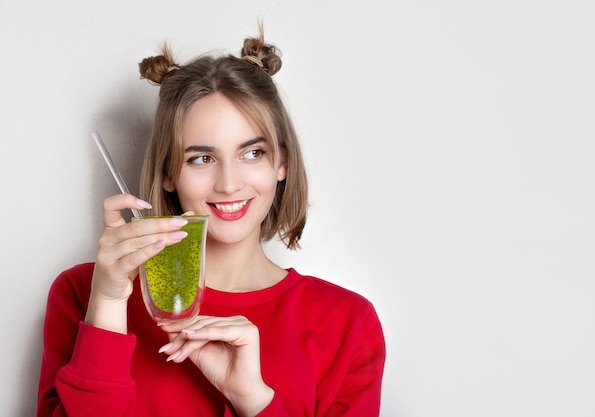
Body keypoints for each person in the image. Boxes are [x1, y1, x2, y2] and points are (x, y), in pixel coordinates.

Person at [37, 26, 386, 417]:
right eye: (201, 158)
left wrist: (254, 401)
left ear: (282, 163)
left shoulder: (348, 324)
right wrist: (107, 303)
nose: (229, 183)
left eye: (252, 153)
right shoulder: (82, 293)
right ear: (169, 171)